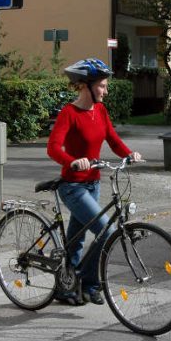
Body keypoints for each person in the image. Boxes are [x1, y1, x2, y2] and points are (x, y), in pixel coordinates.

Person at [47, 58, 142, 306]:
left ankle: (68, 286)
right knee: (107, 232)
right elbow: (53, 148)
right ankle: (88, 281)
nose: (106, 90)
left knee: (76, 239)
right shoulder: (70, 113)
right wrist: (73, 161)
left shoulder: (100, 111)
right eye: (102, 85)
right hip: (73, 186)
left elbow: (111, 137)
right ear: (85, 86)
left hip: (93, 183)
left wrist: (128, 154)